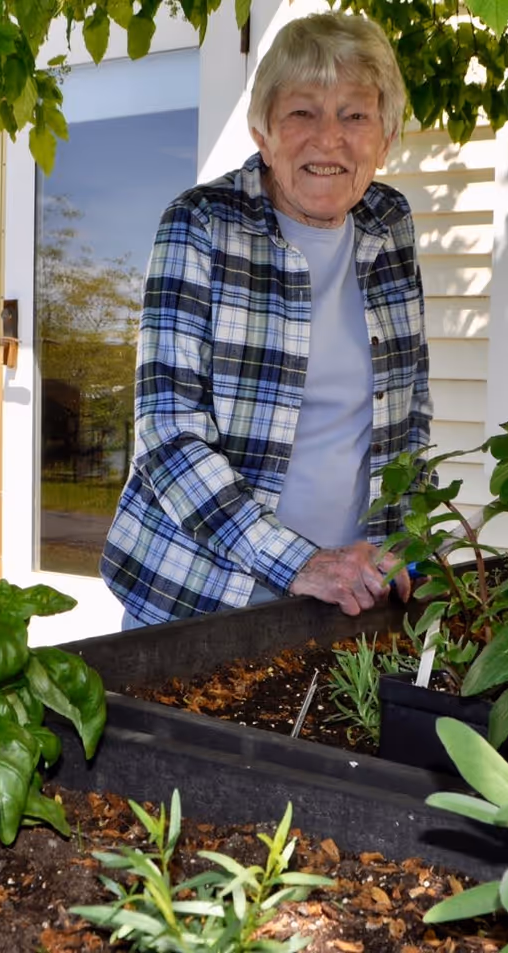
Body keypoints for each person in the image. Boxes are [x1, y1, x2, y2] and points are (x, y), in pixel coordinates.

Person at [99, 11, 432, 627]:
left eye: (354, 115)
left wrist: (401, 544)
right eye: (302, 111)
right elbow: (168, 434)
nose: (328, 139)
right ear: (263, 130)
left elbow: (410, 411)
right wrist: (300, 563)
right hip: (201, 591)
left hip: (347, 591)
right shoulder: (201, 224)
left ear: (384, 138)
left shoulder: (391, 223)